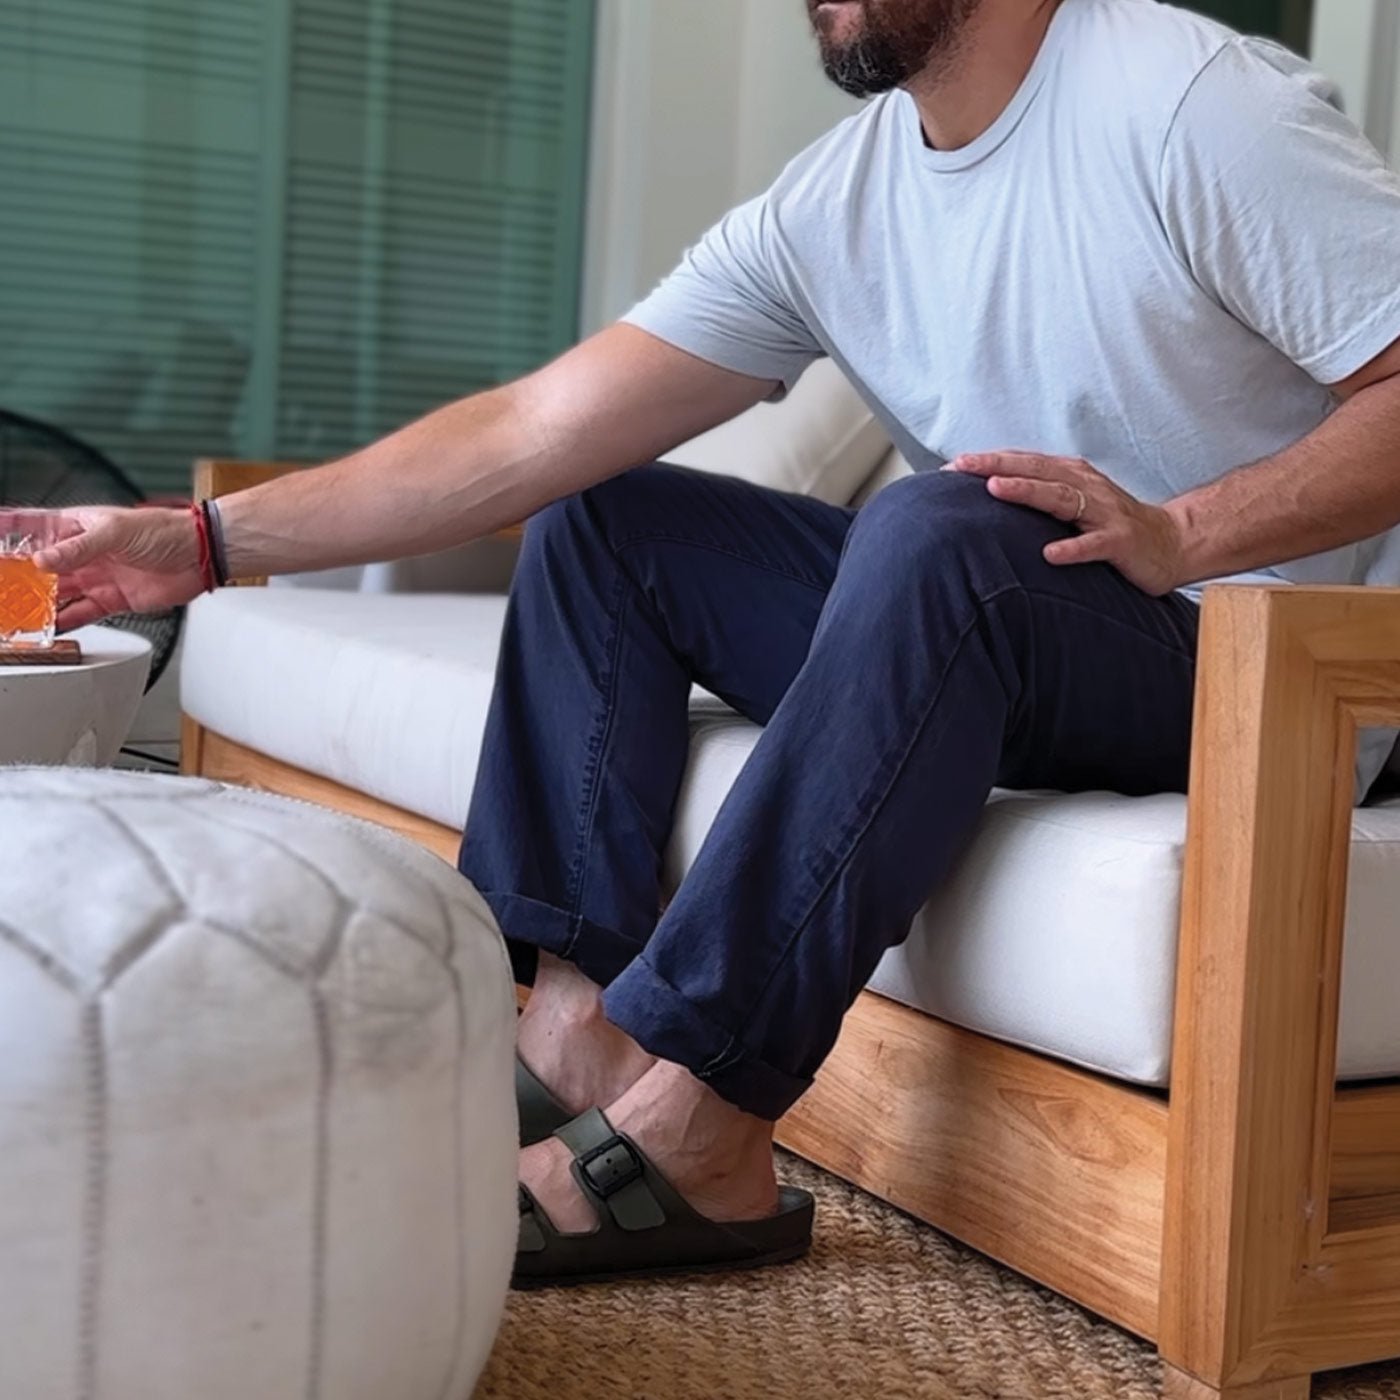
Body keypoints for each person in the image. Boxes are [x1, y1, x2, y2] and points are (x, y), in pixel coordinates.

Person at [15, 0, 1400, 1288]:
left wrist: (1181, 529)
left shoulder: (1186, 103)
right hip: (1017, 614)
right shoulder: (841, 198)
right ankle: (574, 1032)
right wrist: (199, 544)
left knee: (937, 529)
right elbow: (533, 428)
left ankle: (708, 1122)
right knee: (606, 514)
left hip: (1252, 659)